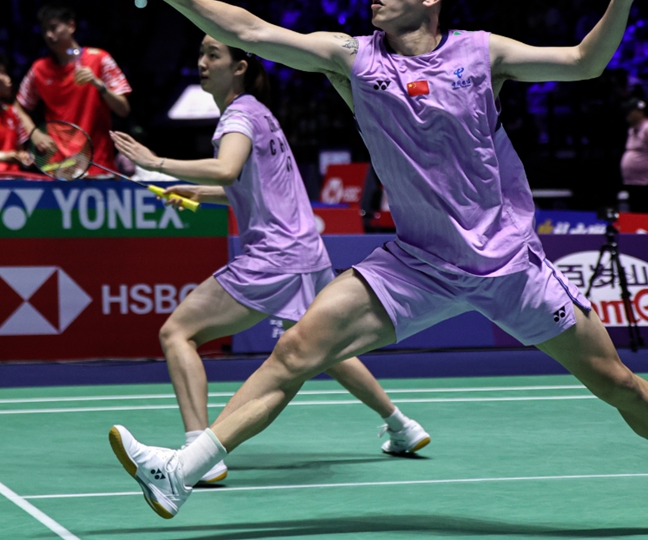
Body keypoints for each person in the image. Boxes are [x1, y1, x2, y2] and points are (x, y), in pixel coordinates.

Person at [111, 0, 648, 540]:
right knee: (298, 349)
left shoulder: (481, 54)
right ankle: (182, 470)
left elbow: (583, 61)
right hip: (419, 262)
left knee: (615, 382)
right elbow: (253, 31)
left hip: (508, 262)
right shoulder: (356, 61)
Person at [109, 34, 430, 490]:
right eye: (199, 53)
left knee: (177, 332)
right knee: (323, 349)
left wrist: (155, 161)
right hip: (307, 252)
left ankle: (199, 450)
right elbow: (248, 186)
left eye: (213, 55)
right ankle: (402, 427)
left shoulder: (237, 116)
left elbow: (227, 169)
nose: (202, 62)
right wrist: (200, 193)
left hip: (273, 257)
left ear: (239, 67)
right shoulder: (259, 112)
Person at [16, 5, 132, 174]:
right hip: (58, 168)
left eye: (54, 28)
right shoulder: (38, 69)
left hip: (98, 165)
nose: (49, 35)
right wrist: (34, 133)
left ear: (71, 26)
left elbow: (123, 109)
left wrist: (98, 84)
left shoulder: (100, 59)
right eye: (45, 30)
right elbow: (18, 107)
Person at [620, 97, 648, 213]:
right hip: (632, 182)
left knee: (646, 213)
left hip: (647, 183)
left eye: (629, 112)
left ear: (638, 112)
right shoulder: (631, 130)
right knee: (635, 212)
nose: (627, 116)